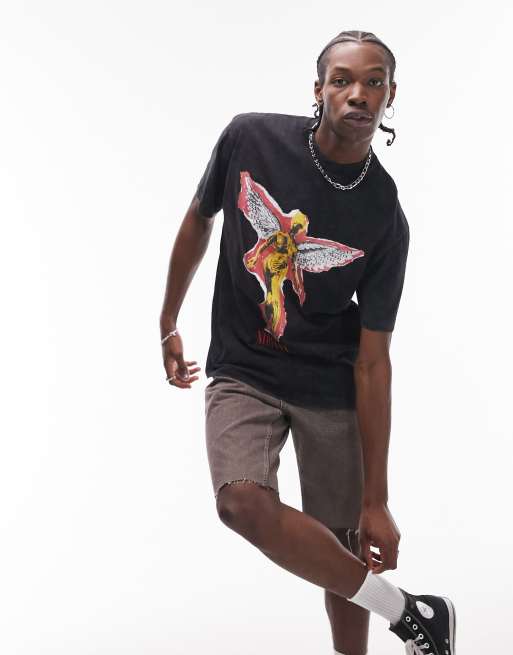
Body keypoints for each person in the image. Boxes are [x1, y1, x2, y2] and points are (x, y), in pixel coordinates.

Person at [160, 29, 456, 655]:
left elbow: (373, 362)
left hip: (330, 386)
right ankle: (411, 614)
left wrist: (377, 500)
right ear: (318, 89)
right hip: (244, 367)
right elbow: (200, 218)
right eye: (342, 80)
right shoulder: (251, 139)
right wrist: (169, 320)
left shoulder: (383, 213)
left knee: (343, 546)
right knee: (241, 503)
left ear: (391, 95)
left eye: (374, 82)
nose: (358, 94)